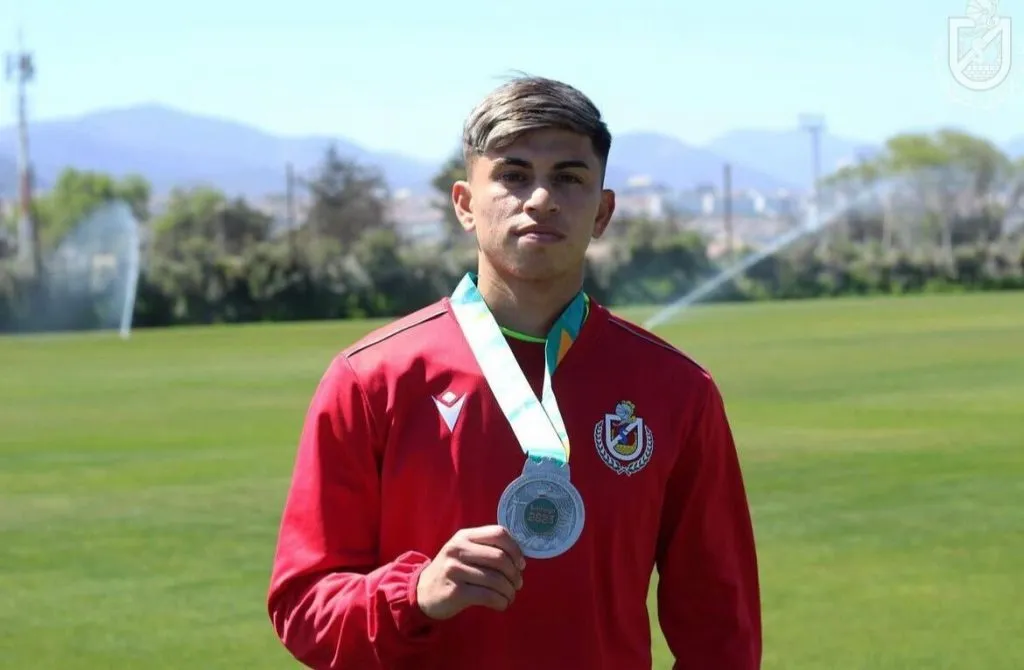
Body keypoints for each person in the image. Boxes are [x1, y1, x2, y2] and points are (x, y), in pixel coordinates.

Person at [266, 75, 762, 670]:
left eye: (569, 178)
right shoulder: (372, 380)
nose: (541, 198)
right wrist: (414, 594)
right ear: (464, 204)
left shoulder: (677, 391)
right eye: (514, 175)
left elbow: (721, 628)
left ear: (602, 212)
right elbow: (301, 605)